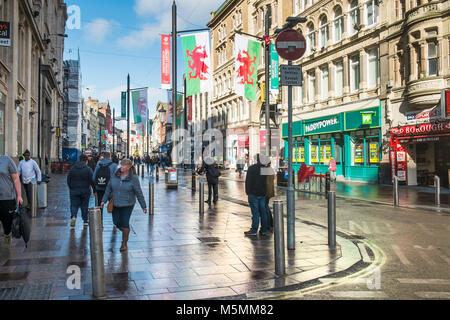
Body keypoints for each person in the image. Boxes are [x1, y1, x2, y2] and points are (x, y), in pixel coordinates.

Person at [101, 159, 147, 251]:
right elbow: (108, 189)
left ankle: (124, 243)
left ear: (129, 167)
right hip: (116, 203)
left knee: (125, 222)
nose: (122, 167)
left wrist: (143, 205)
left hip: (128, 204)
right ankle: (126, 231)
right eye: (121, 165)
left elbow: (139, 192)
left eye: (124, 166)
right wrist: (103, 200)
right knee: (116, 222)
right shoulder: (114, 176)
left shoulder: (133, 178)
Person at [0, 155, 23, 246]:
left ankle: (7, 234)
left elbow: (16, 178)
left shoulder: (7, 160)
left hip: (7, 198)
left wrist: (19, 195)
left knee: (7, 221)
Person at [67, 154, 95, 228]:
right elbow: (92, 181)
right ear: (86, 161)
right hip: (85, 190)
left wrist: (71, 187)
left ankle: (73, 216)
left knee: (74, 205)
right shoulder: (88, 169)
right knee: (84, 205)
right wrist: (94, 190)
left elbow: (68, 180)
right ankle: (85, 220)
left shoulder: (72, 168)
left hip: (74, 190)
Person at [244, 154, 268, 236]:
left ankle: (254, 230)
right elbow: (266, 182)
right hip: (262, 194)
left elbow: (248, 181)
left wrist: (248, 192)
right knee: (263, 212)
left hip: (253, 193)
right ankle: (264, 230)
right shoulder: (265, 169)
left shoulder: (251, 168)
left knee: (255, 213)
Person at [93, 152, 118, 224]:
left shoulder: (98, 165)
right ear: (110, 157)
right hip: (110, 189)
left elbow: (94, 177)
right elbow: (117, 177)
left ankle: (100, 222)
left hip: (100, 187)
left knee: (100, 204)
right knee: (113, 204)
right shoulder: (114, 165)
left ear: (103, 157)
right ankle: (115, 221)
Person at [264, 159, 275, 233]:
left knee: (265, 208)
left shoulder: (265, 170)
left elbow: (264, 181)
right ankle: (270, 223)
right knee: (266, 207)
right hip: (270, 191)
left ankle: (269, 224)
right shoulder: (271, 169)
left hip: (266, 191)